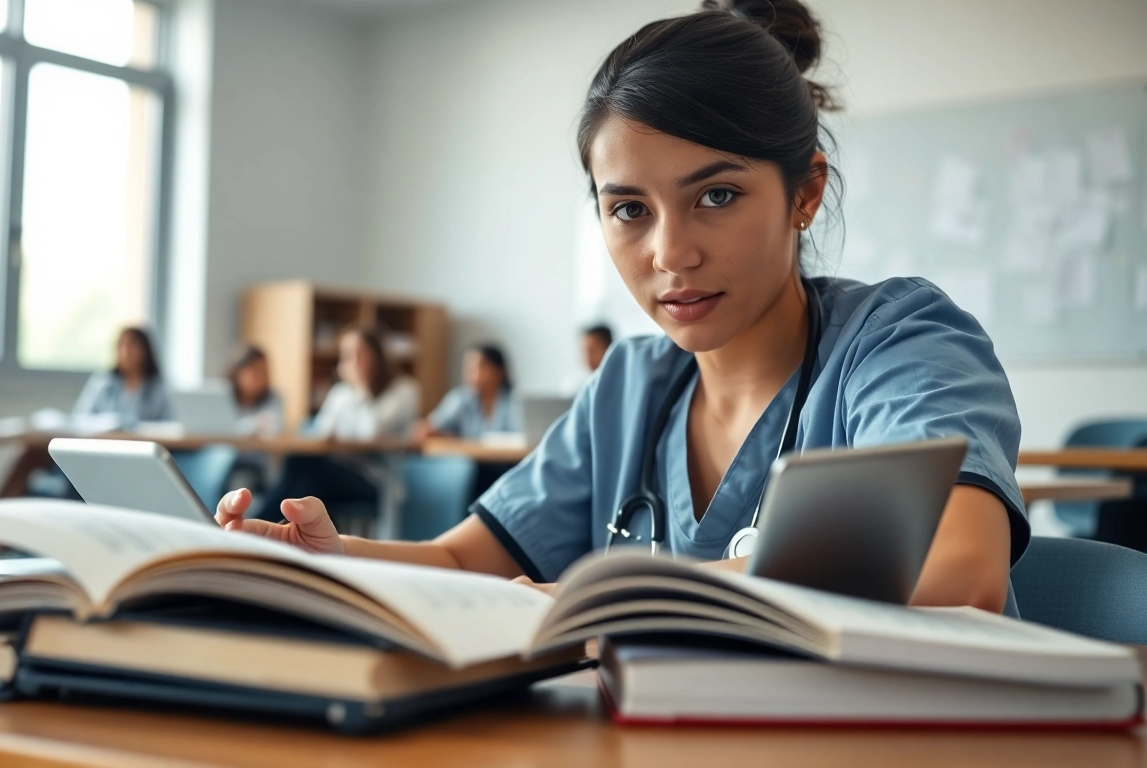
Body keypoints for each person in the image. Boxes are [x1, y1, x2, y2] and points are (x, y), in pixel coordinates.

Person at [216, 0, 1025, 614]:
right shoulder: (630, 386)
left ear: (804, 193)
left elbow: (955, 568)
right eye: (630, 208)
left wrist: (615, 601)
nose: (671, 253)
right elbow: (471, 565)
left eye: (717, 194)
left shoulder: (898, 344)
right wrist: (326, 558)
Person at [254, 327, 419, 519]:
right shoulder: (341, 393)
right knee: (303, 471)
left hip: (377, 480)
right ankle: (275, 530)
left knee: (309, 474)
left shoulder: (403, 390)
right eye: (346, 355)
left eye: (359, 353)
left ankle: (261, 526)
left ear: (376, 356)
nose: (353, 361)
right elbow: (321, 433)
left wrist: (360, 386)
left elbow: (370, 431)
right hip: (336, 470)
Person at [73, 327, 172, 430]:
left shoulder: (158, 388)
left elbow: (170, 425)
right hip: (106, 442)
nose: (126, 352)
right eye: (121, 345)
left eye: (132, 345)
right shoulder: (102, 383)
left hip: (145, 443)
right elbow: (80, 419)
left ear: (145, 351)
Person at [418, 344, 519, 440]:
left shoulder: (515, 401)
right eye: (468, 368)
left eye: (480, 367)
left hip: (510, 458)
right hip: (466, 457)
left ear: (499, 371)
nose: (472, 374)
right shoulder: (459, 398)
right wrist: (446, 436)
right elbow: (427, 429)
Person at [227, 345, 284, 437]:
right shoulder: (224, 395)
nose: (261, 378)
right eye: (255, 372)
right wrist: (253, 425)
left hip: (258, 450)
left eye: (264, 372)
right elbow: (223, 428)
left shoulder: (273, 397)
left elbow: (276, 427)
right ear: (238, 373)